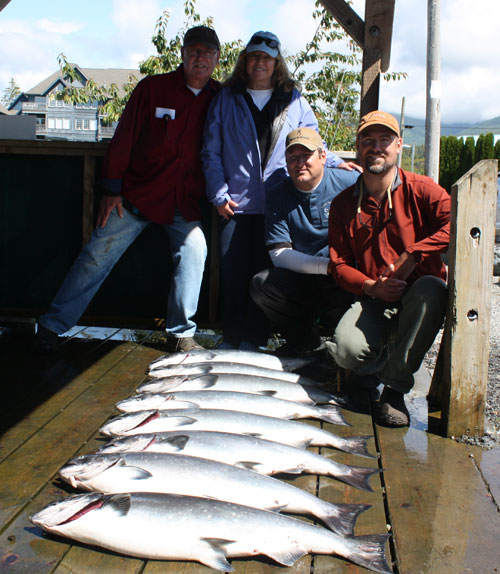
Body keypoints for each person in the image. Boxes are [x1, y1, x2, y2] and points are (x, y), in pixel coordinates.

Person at [33, 26, 221, 354]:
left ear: (218, 59)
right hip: (135, 197)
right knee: (95, 255)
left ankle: (180, 334)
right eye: (193, 50)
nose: (199, 58)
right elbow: (124, 138)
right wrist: (111, 189)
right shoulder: (152, 88)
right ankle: (52, 326)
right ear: (182, 54)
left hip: (183, 204)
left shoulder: (221, 97)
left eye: (207, 52)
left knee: (195, 252)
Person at [201, 31, 359, 351]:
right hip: (235, 204)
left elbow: (313, 142)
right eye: (254, 56)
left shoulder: (294, 99)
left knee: (268, 274)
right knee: (233, 275)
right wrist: (218, 193)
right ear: (245, 61)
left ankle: (258, 340)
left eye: (267, 57)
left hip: (278, 201)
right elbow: (210, 150)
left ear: (276, 64)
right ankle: (232, 340)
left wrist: (337, 164)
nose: (260, 62)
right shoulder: (227, 98)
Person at [326, 110, 450, 427]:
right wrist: (370, 287)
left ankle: (394, 390)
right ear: (358, 146)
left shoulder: (425, 191)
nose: (376, 147)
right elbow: (338, 264)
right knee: (345, 349)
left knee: (433, 288)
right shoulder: (342, 204)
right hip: (373, 297)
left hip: (419, 295)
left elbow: (462, 223)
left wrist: (414, 253)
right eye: (368, 140)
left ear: (398, 146)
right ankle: (372, 369)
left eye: (384, 140)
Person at [250, 127, 359, 356]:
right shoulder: (278, 195)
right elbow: (279, 255)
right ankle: (304, 342)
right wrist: (327, 267)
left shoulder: (352, 183)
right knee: (262, 284)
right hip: (308, 277)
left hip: (348, 279)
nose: (300, 163)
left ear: (322, 157)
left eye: (306, 156)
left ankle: (353, 349)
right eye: (293, 158)